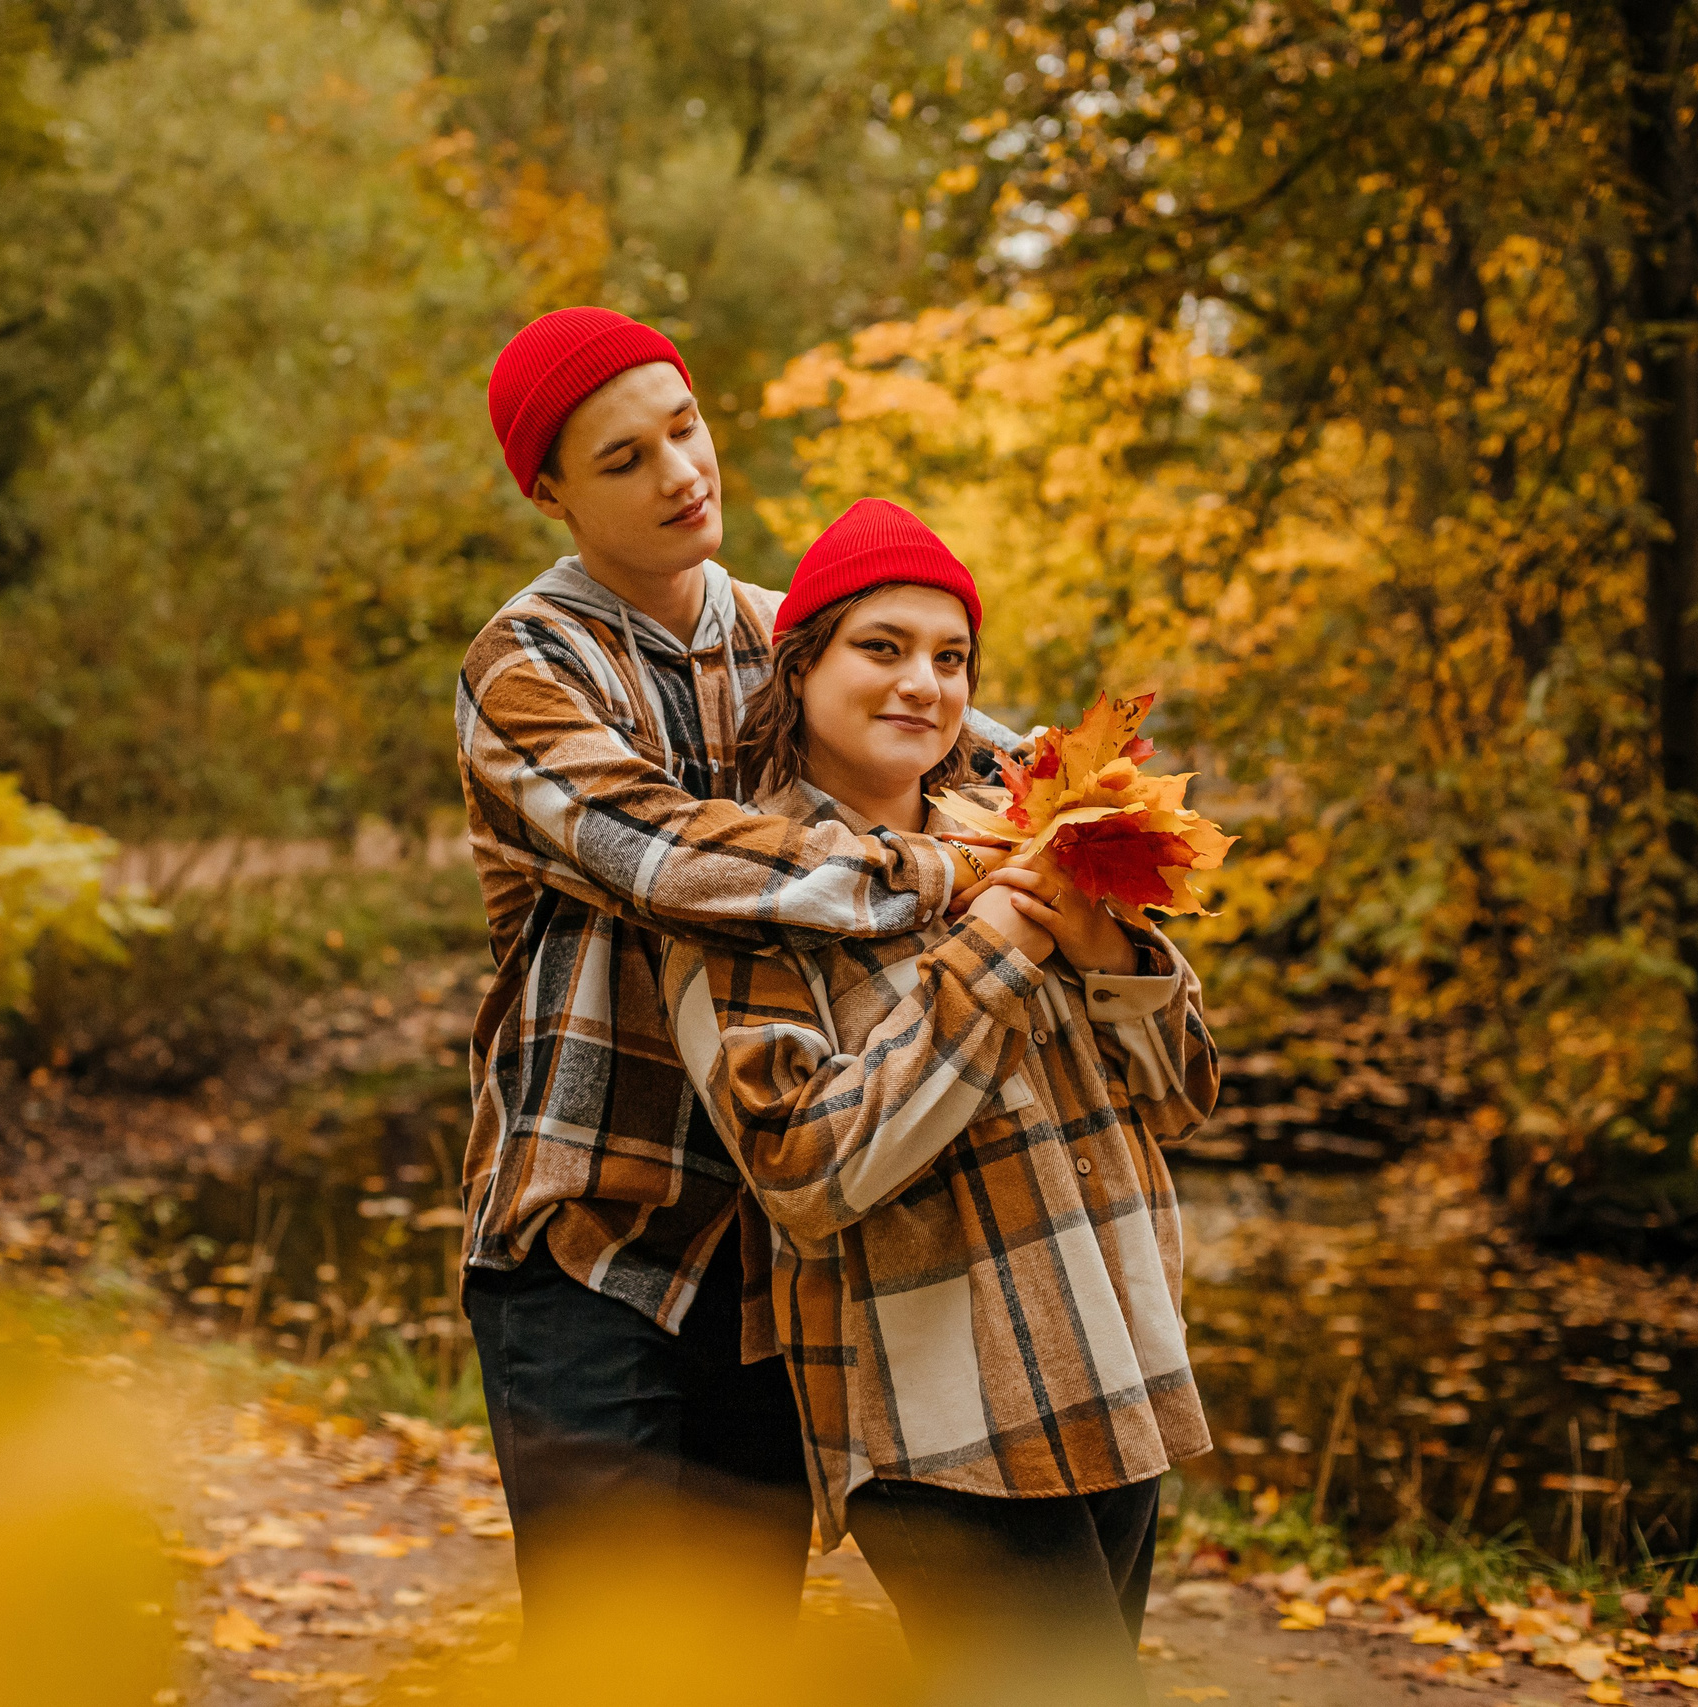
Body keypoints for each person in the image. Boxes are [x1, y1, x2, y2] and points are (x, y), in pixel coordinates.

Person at [454, 309, 1017, 1654]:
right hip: (592, 1230)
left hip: (774, 1239)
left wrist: (1074, 811)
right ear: (552, 491)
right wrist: (939, 870)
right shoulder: (524, 666)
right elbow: (666, 859)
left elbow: (992, 770)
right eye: (626, 457)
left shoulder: (796, 630)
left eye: (686, 427)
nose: (680, 473)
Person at [660, 499, 1220, 1706]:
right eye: (881, 646)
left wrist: (1110, 952)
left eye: (951, 656)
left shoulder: (1030, 835)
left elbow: (1180, 1099)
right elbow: (809, 1175)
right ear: (799, 663)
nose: (923, 682)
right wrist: (1000, 954)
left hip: (1115, 1361)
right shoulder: (741, 897)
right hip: (944, 1420)